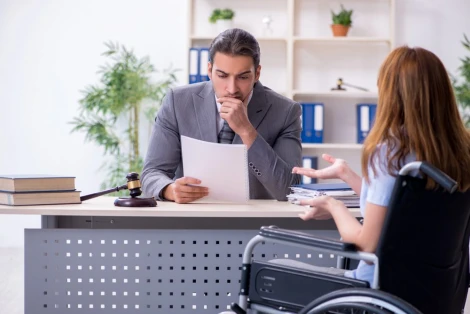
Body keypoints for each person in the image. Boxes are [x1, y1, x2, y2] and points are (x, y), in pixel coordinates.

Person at [291, 46, 470, 286]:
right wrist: (347, 174)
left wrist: (333, 206)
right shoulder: (459, 150)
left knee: (269, 270)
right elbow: (401, 207)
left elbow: (367, 243)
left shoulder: (392, 152)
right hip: (431, 296)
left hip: (373, 293)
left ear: (391, 95)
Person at [141, 28, 302, 203]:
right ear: (209, 70)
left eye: (243, 77)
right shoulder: (177, 102)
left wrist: (247, 131)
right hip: (191, 220)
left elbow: (289, 189)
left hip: (254, 222)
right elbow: (152, 174)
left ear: (257, 74)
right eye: (222, 75)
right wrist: (169, 189)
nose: (232, 89)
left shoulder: (285, 112)